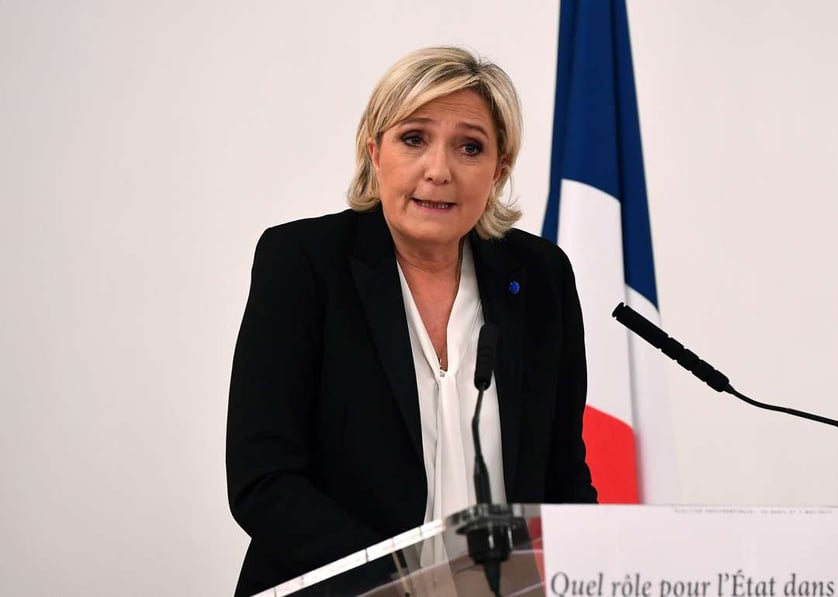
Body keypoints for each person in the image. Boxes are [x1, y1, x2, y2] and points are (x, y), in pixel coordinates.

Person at [226, 46, 597, 596]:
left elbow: (562, 476)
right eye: (414, 138)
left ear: (498, 171)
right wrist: (409, 584)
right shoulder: (303, 262)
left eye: (469, 147)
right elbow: (266, 482)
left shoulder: (540, 277)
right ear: (374, 152)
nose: (438, 170)